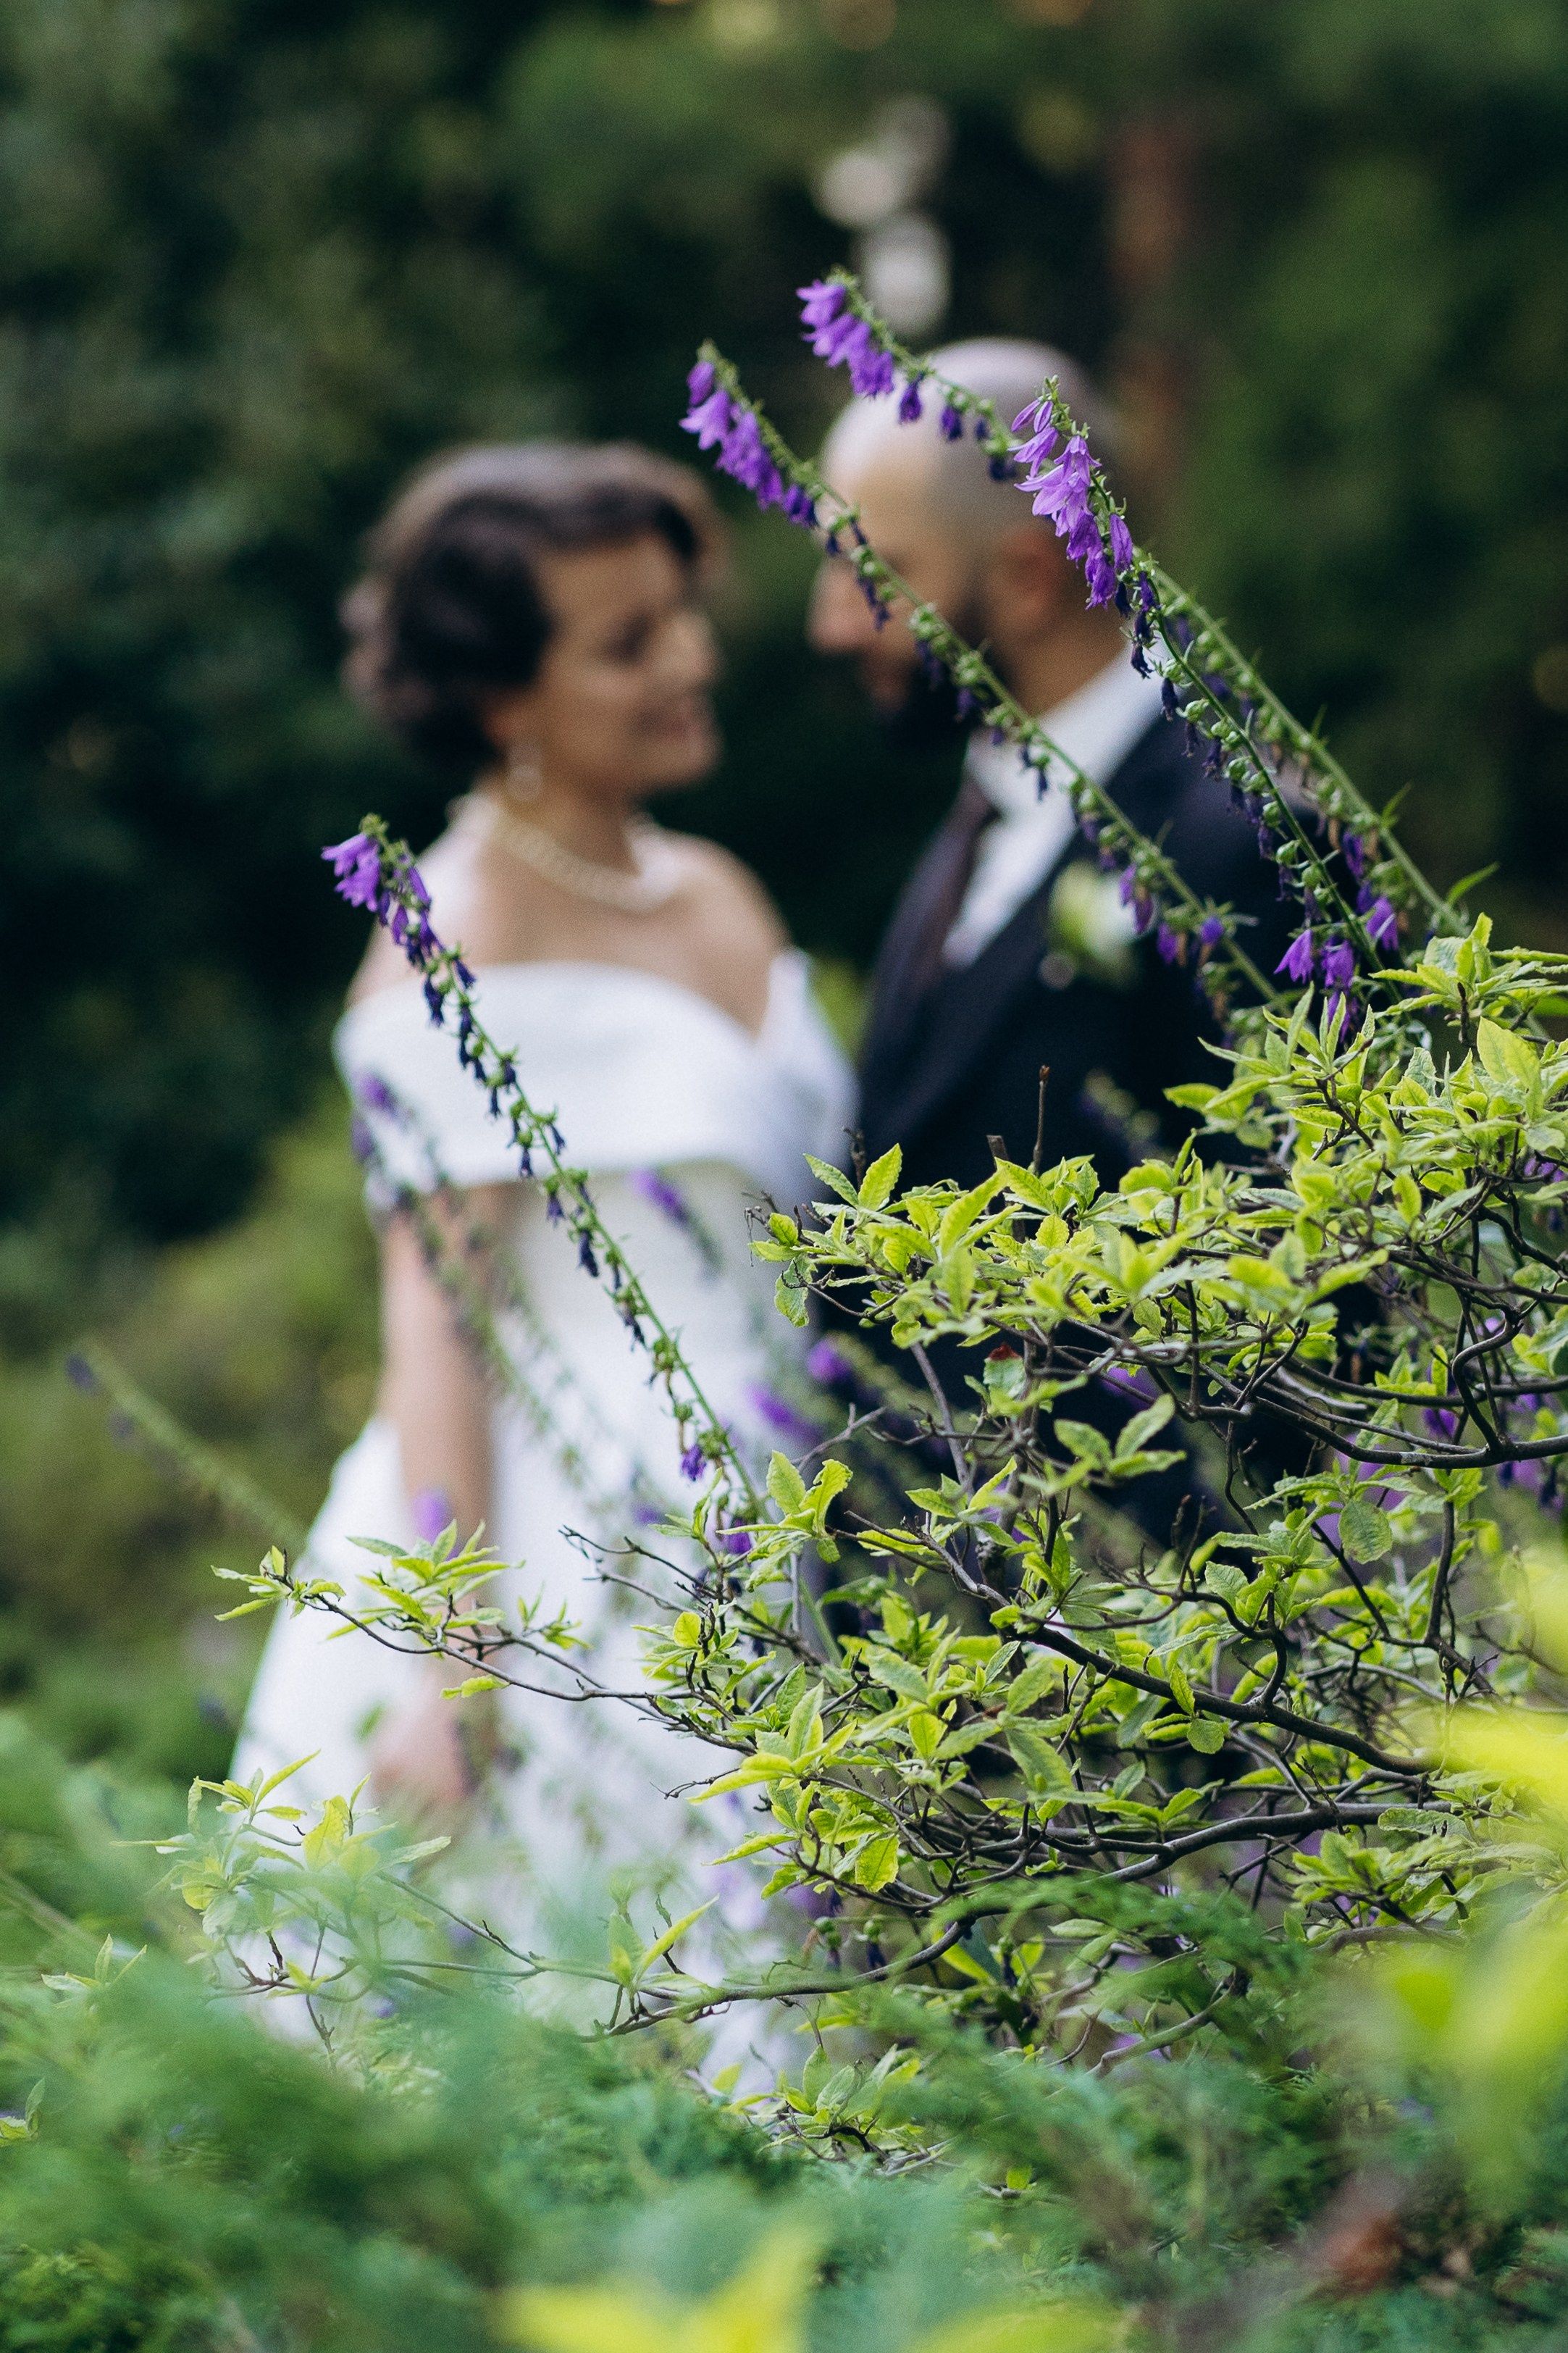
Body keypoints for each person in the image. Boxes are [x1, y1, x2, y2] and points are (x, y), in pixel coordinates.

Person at [232, 442, 853, 2007]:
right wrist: (459, 1672)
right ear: (506, 698)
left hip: (767, 1527)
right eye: (627, 641)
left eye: (683, 616)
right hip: (566, 1565)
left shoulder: (718, 892)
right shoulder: (458, 933)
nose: (691, 660)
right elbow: (432, 1334)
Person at [808, 338, 1288, 1198]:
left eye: (872, 572)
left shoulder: (1242, 838)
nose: (832, 627)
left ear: (1027, 578)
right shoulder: (982, 809)